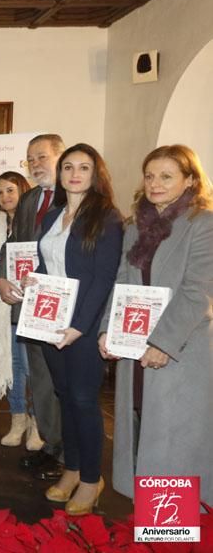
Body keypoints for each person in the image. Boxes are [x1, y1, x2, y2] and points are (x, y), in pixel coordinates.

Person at [99, 144, 212, 504]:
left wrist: (163, 343)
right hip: (136, 350)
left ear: (190, 180)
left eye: (166, 176)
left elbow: (199, 293)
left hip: (181, 352)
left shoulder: (203, 224)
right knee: (143, 432)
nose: (155, 183)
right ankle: (149, 522)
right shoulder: (135, 226)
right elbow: (119, 281)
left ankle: (173, 532)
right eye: (150, 175)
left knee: (174, 442)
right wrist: (107, 329)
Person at [31, 143, 122, 516]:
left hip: (83, 324)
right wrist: (29, 281)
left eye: (83, 167)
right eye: (68, 166)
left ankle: (91, 480)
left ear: (95, 174)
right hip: (51, 321)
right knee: (64, 396)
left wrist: (80, 328)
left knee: (85, 401)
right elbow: (48, 265)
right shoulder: (53, 216)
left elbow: (103, 279)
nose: (74, 173)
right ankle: (71, 470)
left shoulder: (107, 217)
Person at [0, 134, 66, 481]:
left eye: (42, 157)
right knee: (39, 377)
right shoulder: (28, 200)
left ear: (60, 156)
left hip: (64, 305)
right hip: (30, 304)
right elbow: (14, 244)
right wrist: (0, 278)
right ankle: (51, 448)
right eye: (30, 159)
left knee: (65, 384)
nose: (36, 164)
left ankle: (71, 457)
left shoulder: (80, 197)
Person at [0, 171, 36, 448]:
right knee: (14, 365)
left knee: (31, 366)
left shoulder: (36, 222)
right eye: (0, 192)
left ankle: (37, 423)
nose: (5, 197)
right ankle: (18, 419)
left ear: (23, 191)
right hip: (7, 306)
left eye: (10, 190)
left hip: (34, 304)